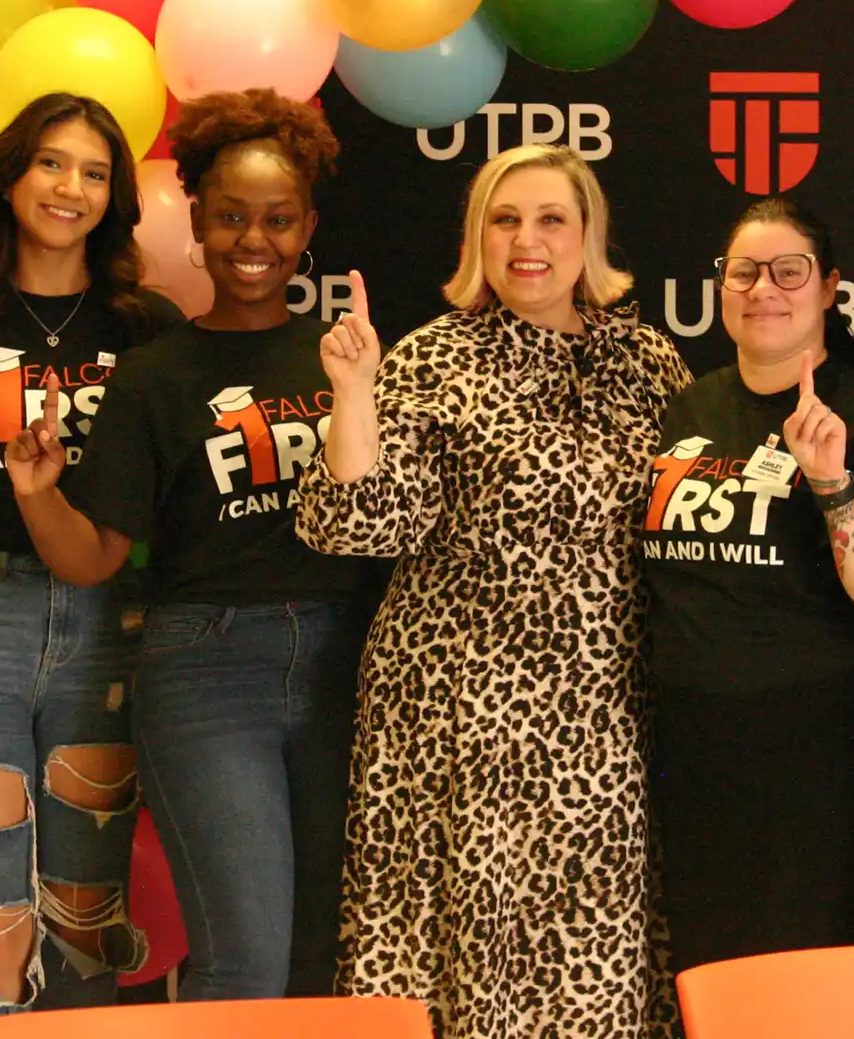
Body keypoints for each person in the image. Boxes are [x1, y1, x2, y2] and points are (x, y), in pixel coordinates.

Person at [295, 144, 691, 1038]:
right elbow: (363, 526)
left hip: (603, 721)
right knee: (470, 973)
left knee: (596, 970)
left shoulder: (649, 362)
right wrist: (354, 394)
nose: (528, 241)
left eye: (551, 218)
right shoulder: (437, 357)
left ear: (588, 235)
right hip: (459, 720)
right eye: (505, 220)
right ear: (479, 238)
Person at [7, 89, 371, 1002]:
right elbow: (92, 556)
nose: (256, 239)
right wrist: (37, 494)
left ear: (308, 227)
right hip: (208, 672)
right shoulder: (157, 374)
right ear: (198, 221)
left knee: (327, 958)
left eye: (279, 220)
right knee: (244, 962)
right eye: (233, 216)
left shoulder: (348, 359)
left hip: (343, 664)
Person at [0, 92, 184, 1035]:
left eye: (95, 173)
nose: (71, 188)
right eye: (53, 163)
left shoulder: (143, 326)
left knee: (84, 916)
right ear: (13, 173)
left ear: (116, 197)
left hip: (106, 618)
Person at [638, 197, 854, 971]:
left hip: (812, 753)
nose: (764, 288)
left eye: (788, 271)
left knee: (802, 982)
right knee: (709, 978)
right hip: (691, 750)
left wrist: (832, 485)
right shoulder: (691, 403)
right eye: (744, 272)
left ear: (829, 288)